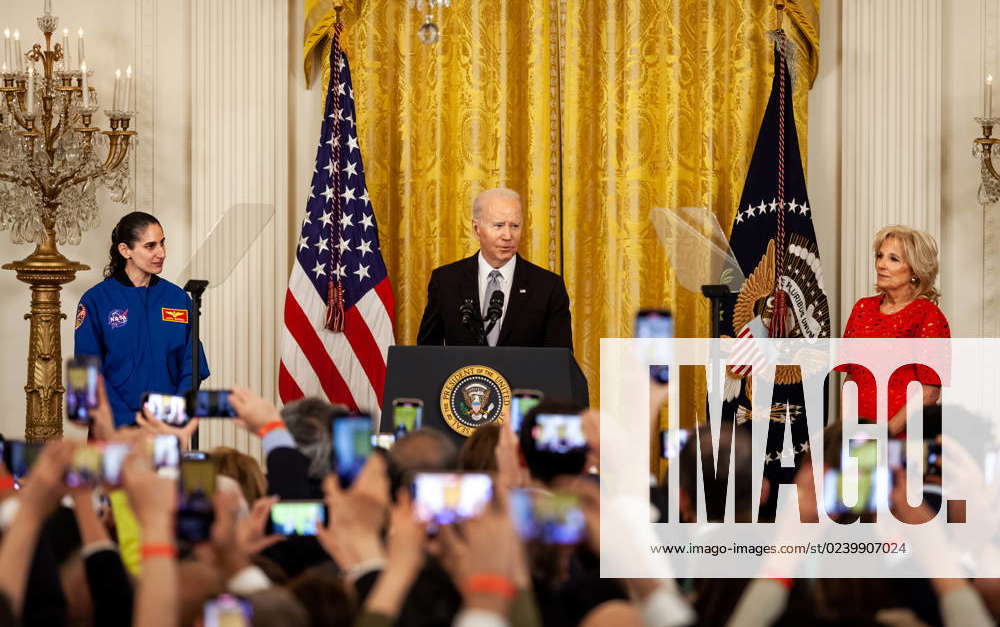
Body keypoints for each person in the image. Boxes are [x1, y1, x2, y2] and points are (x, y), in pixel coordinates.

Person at [74, 211, 209, 427]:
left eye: (163, 243)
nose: (161, 253)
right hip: (114, 430)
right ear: (125, 250)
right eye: (150, 246)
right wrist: (129, 420)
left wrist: (175, 414)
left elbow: (193, 364)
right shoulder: (96, 300)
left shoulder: (177, 298)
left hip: (167, 428)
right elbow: (87, 372)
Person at [416, 188, 573, 349]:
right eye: (498, 225)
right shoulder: (445, 281)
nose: (507, 235)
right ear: (476, 229)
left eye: (515, 226)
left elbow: (560, 362)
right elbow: (426, 355)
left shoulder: (548, 286)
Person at [840, 225, 950, 436]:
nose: (881, 264)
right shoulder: (862, 308)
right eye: (880, 256)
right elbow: (851, 378)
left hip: (903, 436)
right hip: (859, 434)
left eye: (893, 259)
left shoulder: (928, 315)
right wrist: (846, 430)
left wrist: (885, 434)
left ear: (915, 271)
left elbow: (929, 392)